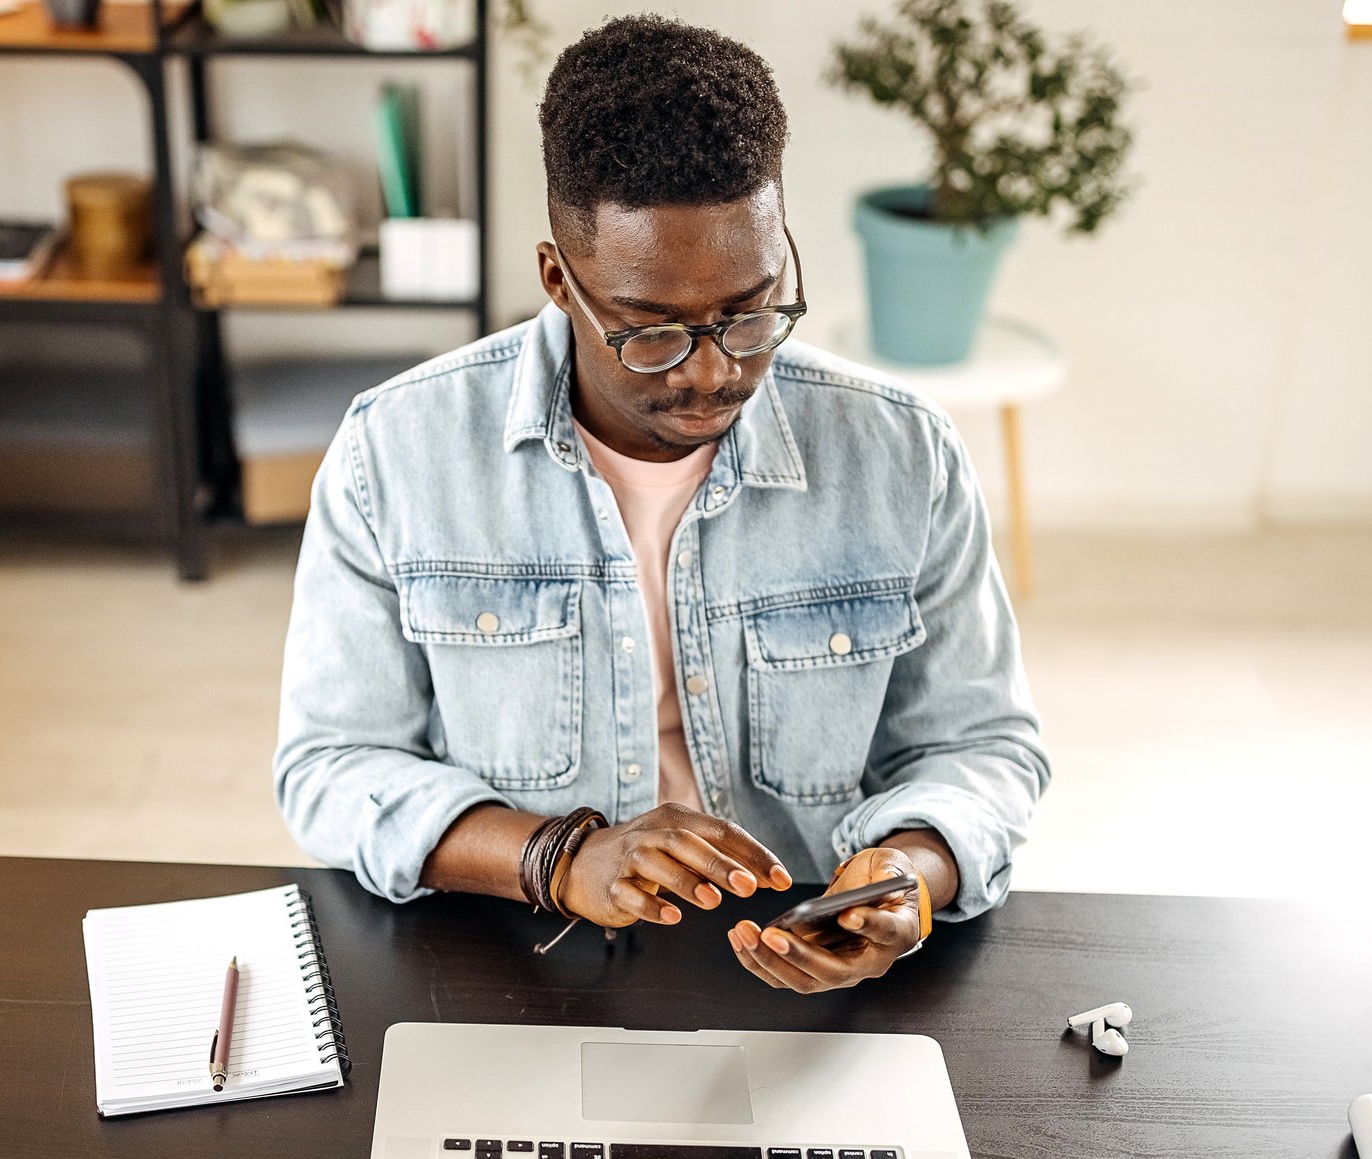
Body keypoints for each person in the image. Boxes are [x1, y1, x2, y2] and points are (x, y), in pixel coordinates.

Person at [273, 15, 1048, 994]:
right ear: (558, 280)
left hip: (806, 971)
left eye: (750, 311)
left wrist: (907, 875)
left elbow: (979, 746)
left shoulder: (901, 454)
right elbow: (329, 765)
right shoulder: (394, 454)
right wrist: (554, 858)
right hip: (518, 964)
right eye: (652, 334)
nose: (715, 372)